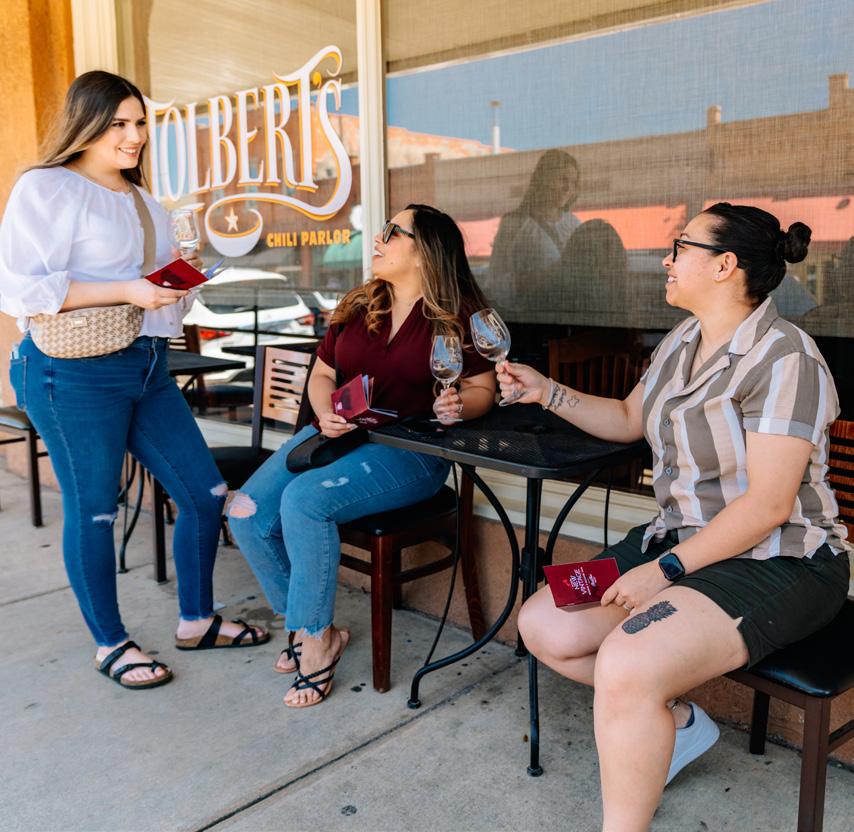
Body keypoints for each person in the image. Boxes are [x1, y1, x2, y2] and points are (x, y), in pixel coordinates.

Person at [496, 202, 850, 832]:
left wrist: (663, 571)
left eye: (681, 247)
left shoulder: (784, 358)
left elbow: (769, 506)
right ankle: (680, 724)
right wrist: (545, 391)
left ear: (724, 265)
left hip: (781, 560)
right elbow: (628, 418)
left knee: (627, 664)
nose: (667, 258)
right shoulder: (683, 339)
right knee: (544, 625)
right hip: (680, 537)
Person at [0, 71, 269, 691]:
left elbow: (159, 305)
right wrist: (127, 288)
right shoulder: (47, 187)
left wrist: (179, 281)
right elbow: (21, 290)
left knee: (204, 493)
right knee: (95, 510)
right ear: (85, 124)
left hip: (146, 364)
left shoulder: (146, 202)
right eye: (118, 123)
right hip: (71, 373)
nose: (134, 136)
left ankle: (196, 620)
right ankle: (111, 644)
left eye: (140, 123)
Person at [227, 204, 496, 708]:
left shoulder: (457, 314)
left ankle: (314, 642)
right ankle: (309, 626)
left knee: (304, 502)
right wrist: (324, 410)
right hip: (334, 436)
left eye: (393, 231)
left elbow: (484, 388)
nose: (378, 237)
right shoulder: (359, 304)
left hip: (409, 451)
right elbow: (323, 374)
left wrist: (460, 405)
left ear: (425, 251)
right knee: (245, 511)